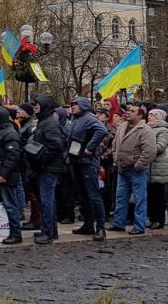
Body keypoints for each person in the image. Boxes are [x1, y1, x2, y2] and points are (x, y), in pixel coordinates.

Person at [110, 102, 156, 235]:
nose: (128, 112)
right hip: (122, 168)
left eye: (132, 111)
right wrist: (115, 158)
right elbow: (115, 145)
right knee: (120, 197)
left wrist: (138, 165)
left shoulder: (145, 130)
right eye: (128, 110)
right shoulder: (122, 127)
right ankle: (119, 223)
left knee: (139, 199)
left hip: (137, 170)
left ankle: (139, 226)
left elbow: (150, 151)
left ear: (141, 115)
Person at [66, 97, 107, 240]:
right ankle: (88, 224)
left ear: (83, 106)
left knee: (94, 196)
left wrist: (90, 147)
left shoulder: (89, 118)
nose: (72, 107)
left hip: (88, 163)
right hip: (77, 161)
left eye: (75, 104)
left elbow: (102, 130)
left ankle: (101, 227)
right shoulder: (76, 119)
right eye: (72, 104)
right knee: (83, 196)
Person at [29, 96, 66, 244]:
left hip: (49, 167)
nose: (35, 107)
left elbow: (56, 145)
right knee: (48, 199)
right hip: (47, 166)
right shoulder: (46, 121)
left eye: (38, 105)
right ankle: (50, 231)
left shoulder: (49, 123)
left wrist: (41, 159)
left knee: (46, 200)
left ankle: (48, 233)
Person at [0, 106, 24, 245]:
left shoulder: (9, 133)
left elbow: (12, 156)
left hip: (4, 175)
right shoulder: (0, 132)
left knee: (9, 204)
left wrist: (4, 173)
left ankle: (15, 233)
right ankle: (3, 230)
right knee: (0, 205)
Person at [147, 109, 168, 230]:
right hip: (148, 166)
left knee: (158, 195)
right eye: (149, 115)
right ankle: (152, 218)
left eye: (153, 115)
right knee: (151, 195)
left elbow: (161, 146)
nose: (150, 117)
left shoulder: (163, 130)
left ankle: (159, 219)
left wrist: (145, 148)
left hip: (158, 166)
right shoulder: (146, 128)